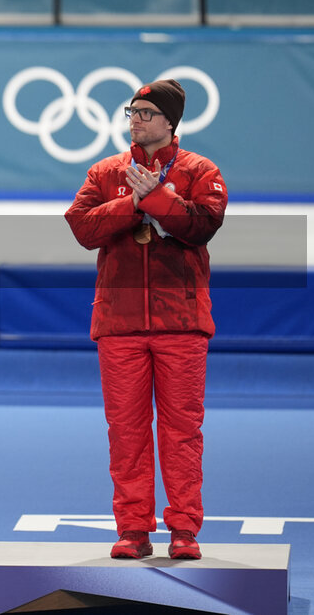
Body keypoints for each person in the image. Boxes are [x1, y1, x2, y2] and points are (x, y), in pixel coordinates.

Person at [65, 79, 227, 560]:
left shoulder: (201, 170)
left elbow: (201, 225)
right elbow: (81, 226)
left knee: (182, 432)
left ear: (170, 121)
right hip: (120, 324)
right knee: (127, 432)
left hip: (181, 323)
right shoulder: (106, 171)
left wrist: (157, 197)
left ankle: (183, 531)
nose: (135, 120)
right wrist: (132, 203)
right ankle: (133, 529)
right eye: (131, 111)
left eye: (145, 112)